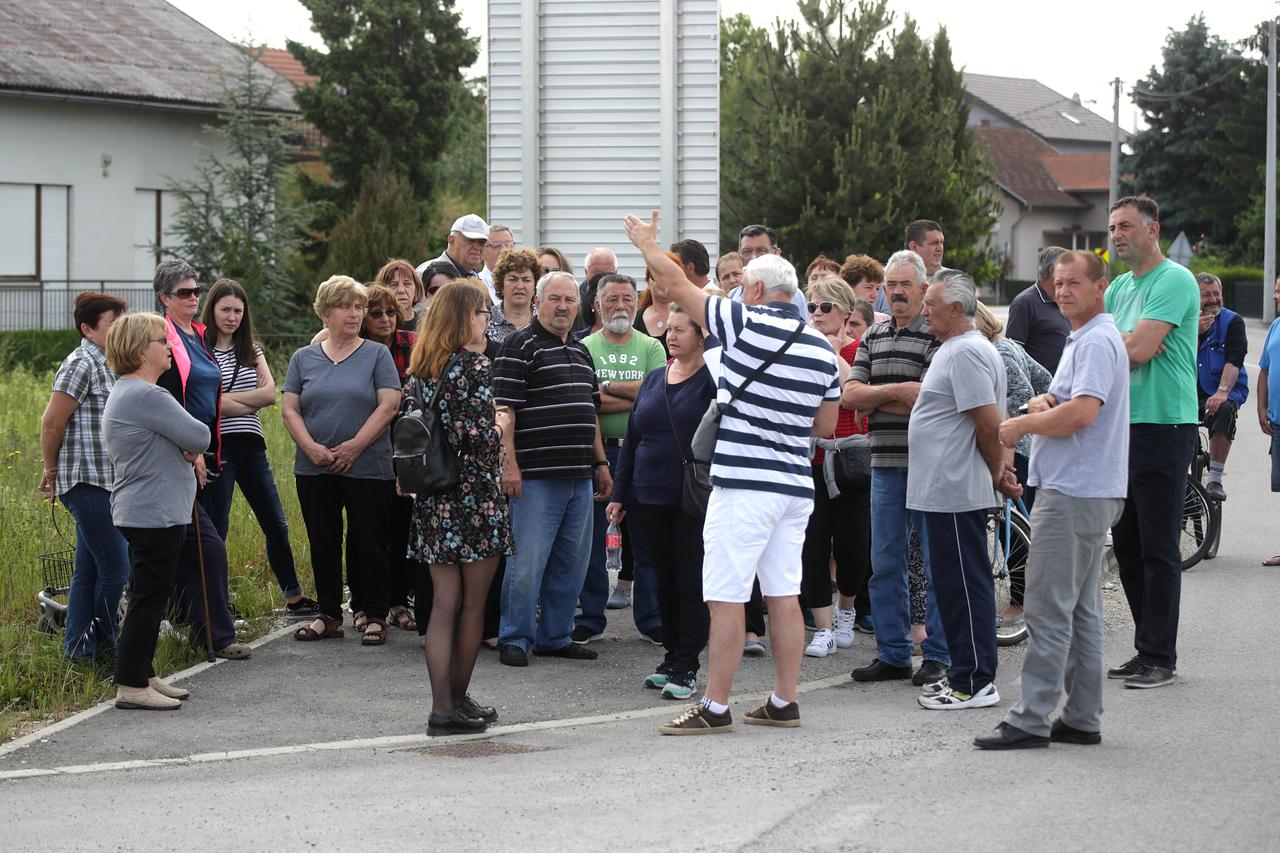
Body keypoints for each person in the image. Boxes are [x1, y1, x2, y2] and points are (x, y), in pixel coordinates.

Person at [626, 210, 840, 735]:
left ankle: (715, 706)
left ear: (759, 289)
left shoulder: (743, 321)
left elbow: (675, 282)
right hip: (793, 484)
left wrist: (648, 245)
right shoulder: (823, 348)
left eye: (744, 287)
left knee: (724, 595)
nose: (739, 293)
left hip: (743, 484)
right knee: (783, 595)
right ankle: (783, 700)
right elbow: (826, 423)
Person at [974, 249, 1129, 749]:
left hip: (1075, 493)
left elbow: (1083, 413)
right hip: (1083, 489)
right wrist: (1045, 404)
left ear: (1100, 286)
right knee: (1078, 611)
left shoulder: (1097, 340)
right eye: (1058, 283)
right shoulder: (1086, 339)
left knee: (1044, 607)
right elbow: (1072, 404)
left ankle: (1031, 717)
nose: (1063, 291)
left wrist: (1019, 425)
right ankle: (1082, 715)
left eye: (1074, 283)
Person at [404, 281, 513, 735]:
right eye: (482, 312)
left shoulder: (421, 370)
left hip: (433, 499)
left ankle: (445, 704)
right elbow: (478, 442)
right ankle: (452, 705)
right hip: (473, 499)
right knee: (473, 607)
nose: (486, 319)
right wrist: (501, 423)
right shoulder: (473, 367)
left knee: (444, 605)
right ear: (464, 318)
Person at [908, 271, 1020, 710]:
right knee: (952, 585)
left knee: (964, 586)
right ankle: (963, 672)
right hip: (945, 489)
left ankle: (974, 681)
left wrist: (998, 474)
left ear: (957, 309)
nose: (925, 311)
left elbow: (989, 424)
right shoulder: (957, 350)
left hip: (955, 489)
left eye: (931, 304)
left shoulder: (967, 353)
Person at [493, 271, 613, 667]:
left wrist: (601, 463)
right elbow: (504, 412)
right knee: (526, 564)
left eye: (569, 300)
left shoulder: (581, 350)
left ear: (579, 307)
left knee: (571, 564)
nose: (562, 307)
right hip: (535, 479)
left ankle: (556, 636)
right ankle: (515, 637)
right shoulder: (518, 346)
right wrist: (509, 467)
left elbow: (590, 412)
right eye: (554, 299)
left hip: (580, 476)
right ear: (538, 303)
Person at [1104, 196, 1200, 690]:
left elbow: (1137, 351)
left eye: (1125, 226)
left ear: (1152, 229)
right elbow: (1090, 346)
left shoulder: (1175, 279)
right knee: (1128, 544)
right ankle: (1146, 648)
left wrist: (1124, 343)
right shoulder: (1120, 286)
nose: (1117, 235)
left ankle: (1161, 655)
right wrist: (1127, 342)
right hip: (1121, 426)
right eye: (1113, 227)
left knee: (1160, 547)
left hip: (1164, 425)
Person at [844, 250, 949, 689]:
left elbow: (930, 399)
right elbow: (849, 396)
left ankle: (940, 654)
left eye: (907, 284)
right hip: (884, 465)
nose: (898, 291)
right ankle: (893, 653)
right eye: (892, 284)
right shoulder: (874, 335)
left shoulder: (938, 336)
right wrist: (898, 391)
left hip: (929, 465)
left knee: (936, 562)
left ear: (924, 289)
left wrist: (878, 394)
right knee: (885, 560)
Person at [283, 276, 402, 646]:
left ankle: (376, 614)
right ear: (324, 312)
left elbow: (389, 404)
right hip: (314, 467)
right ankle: (330, 614)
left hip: (367, 464)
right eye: (345, 306)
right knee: (323, 540)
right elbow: (289, 409)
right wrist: (311, 447)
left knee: (370, 539)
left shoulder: (376, 354)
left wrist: (354, 446)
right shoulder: (303, 358)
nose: (354, 314)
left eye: (358, 307)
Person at [607, 304, 716, 699]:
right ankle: (671, 656)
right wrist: (619, 495)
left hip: (690, 499)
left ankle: (688, 664)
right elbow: (633, 440)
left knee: (690, 580)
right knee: (661, 579)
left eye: (680, 330)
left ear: (702, 335)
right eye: (667, 329)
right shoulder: (654, 378)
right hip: (646, 496)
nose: (670, 336)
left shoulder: (712, 381)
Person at [102, 312, 210, 710]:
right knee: (148, 598)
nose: (169, 347)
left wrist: (185, 444)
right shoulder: (148, 395)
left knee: (148, 594)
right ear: (139, 350)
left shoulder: (129, 392)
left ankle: (142, 672)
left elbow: (187, 439)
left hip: (145, 510)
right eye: (161, 341)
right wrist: (189, 445)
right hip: (154, 512)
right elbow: (199, 434)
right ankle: (131, 685)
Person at [198, 279, 317, 622]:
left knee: (275, 522)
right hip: (217, 448)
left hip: (252, 446)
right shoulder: (200, 351)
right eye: (225, 310)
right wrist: (226, 405)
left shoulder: (252, 350)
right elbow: (200, 403)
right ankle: (216, 602)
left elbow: (269, 395)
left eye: (238, 311)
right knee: (216, 528)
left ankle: (293, 596)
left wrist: (219, 404)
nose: (232, 317)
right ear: (213, 310)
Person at [153, 261, 249, 660]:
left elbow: (213, 394)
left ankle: (204, 630)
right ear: (164, 299)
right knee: (201, 546)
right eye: (184, 293)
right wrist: (188, 451)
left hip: (207, 451)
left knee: (198, 545)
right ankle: (212, 634)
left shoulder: (201, 335)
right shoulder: (161, 336)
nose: (194, 298)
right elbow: (166, 396)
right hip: (178, 453)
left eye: (196, 291)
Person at [575, 273, 668, 645]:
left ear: (637, 302)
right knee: (594, 538)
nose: (620, 306)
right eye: (611, 299)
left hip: (644, 451)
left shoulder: (652, 348)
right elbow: (586, 403)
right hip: (598, 452)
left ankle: (651, 618)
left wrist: (606, 388)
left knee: (645, 539)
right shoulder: (583, 347)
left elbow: (657, 396)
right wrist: (633, 393)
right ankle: (591, 617)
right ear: (596, 304)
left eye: (628, 299)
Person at [40, 292, 129, 662]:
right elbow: (52, 421)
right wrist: (50, 470)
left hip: (109, 481)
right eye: (113, 324)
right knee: (117, 569)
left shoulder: (111, 363)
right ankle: (109, 643)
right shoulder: (81, 363)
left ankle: (78, 650)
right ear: (88, 329)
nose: (121, 329)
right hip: (85, 482)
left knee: (88, 571)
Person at [798, 276, 872, 657]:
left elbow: (853, 394)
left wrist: (831, 353)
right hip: (811, 457)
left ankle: (847, 608)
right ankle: (823, 627)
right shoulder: (801, 348)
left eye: (825, 307)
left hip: (850, 459)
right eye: (812, 306)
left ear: (845, 312)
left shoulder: (860, 350)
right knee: (811, 545)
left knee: (854, 546)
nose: (817, 314)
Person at [1195, 272, 1248, 501]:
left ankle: (1215, 477)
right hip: (1187, 394)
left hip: (1221, 392)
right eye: (1206, 295)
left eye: (1216, 293)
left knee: (1223, 409)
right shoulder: (1185, 321)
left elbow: (1234, 360)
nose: (1213, 299)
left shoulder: (1232, 321)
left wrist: (1222, 391)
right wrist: (1193, 332)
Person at [1006, 246, 1070, 374]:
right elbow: (1012, 355)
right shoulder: (1024, 303)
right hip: (1042, 392)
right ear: (1053, 271)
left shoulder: (1064, 300)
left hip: (1065, 388)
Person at [730, 225, 809, 318]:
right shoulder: (732, 296)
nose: (754, 257)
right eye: (747, 251)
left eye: (761, 250)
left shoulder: (791, 295)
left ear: (776, 253)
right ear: (739, 256)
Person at [875, 220, 946, 313]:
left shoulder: (952, 280)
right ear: (914, 247)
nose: (939, 248)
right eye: (934, 243)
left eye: (941, 242)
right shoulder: (881, 279)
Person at [1258, 276, 1280, 566]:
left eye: (1279, 291)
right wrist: (1261, 407)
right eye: (1276, 290)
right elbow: (1264, 369)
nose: (1275, 296)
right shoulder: (1275, 326)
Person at [487, 248, 541, 345]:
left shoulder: (544, 320)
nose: (520, 286)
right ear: (501, 285)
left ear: (535, 286)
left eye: (526, 280)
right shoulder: (486, 320)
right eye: (513, 279)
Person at [417, 214, 489, 284]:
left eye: (482, 242)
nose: (477, 247)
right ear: (452, 241)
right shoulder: (427, 274)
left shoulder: (479, 281)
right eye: (471, 240)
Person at [374, 259, 427, 332]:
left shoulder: (426, 326)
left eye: (407, 284)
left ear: (416, 288)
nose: (401, 290)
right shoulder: (375, 327)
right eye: (394, 285)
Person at [576, 248, 619, 332]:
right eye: (597, 273)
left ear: (616, 272)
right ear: (586, 272)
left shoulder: (625, 299)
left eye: (608, 274)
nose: (602, 279)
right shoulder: (573, 298)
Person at [838, 254, 889, 322]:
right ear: (849, 288)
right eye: (868, 288)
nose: (875, 295)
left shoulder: (884, 320)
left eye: (877, 289)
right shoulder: (835, 320)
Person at [478, 224, 516, 303]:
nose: (503, 250)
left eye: (508, 245)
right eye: (497, 246)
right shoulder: (479, 283)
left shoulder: (523, 282)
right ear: (483, 250)